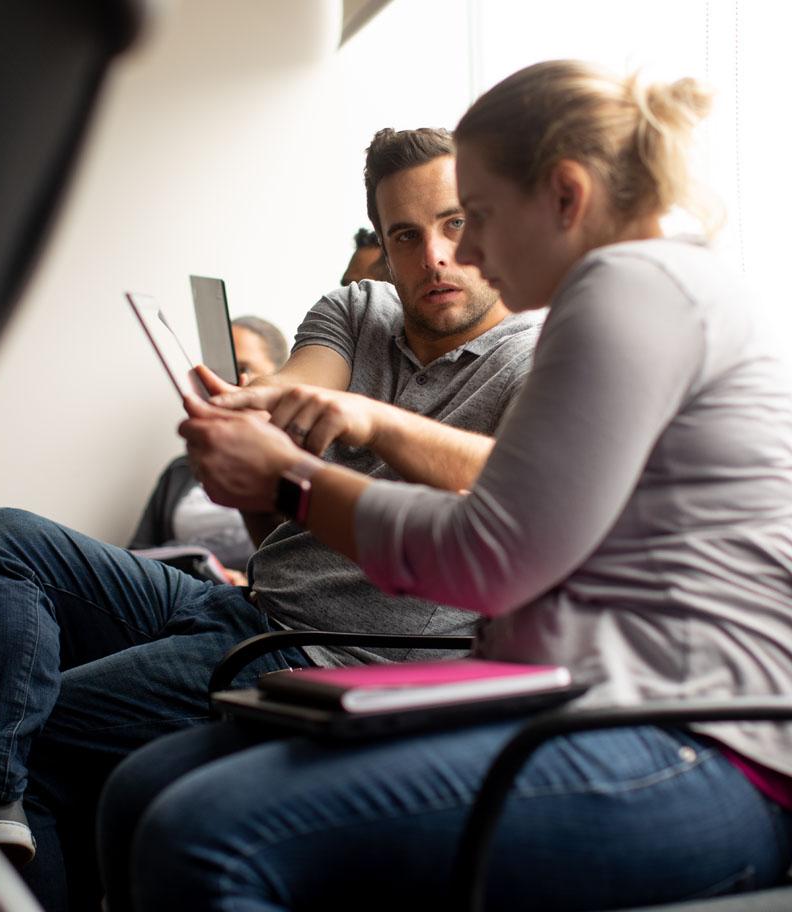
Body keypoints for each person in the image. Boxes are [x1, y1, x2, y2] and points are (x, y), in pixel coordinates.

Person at [98, 61, 792, 912]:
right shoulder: (652, 285)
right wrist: (335, 446)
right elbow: (523, 514)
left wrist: (292, 482)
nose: (460, 254)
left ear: (566, 196)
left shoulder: (630, 287)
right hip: (590, 704)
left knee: (202, 835)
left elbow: (488, 557)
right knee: (141, 792)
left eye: (477, 218)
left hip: (698, 746)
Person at [0, 126, 542, 910]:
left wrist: (360, 419)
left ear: (487, 219)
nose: (435, 258)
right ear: (383, 248)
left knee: (33, 739)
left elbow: (512, 487)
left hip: (333, 655)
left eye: (455, 224)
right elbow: (295, 393)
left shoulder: (537, 358)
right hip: (247, 607)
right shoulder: (358, 309)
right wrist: (247, 409)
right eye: (406, 236)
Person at [127, 315, 289, 579]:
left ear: (279, 376)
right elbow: (136, 552)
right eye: (217, 370)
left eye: (242, 367)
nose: (225, 381)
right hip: (165, 597)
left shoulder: (299, 470)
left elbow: (303, 571)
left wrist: (248, 583)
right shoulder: (182, 469)